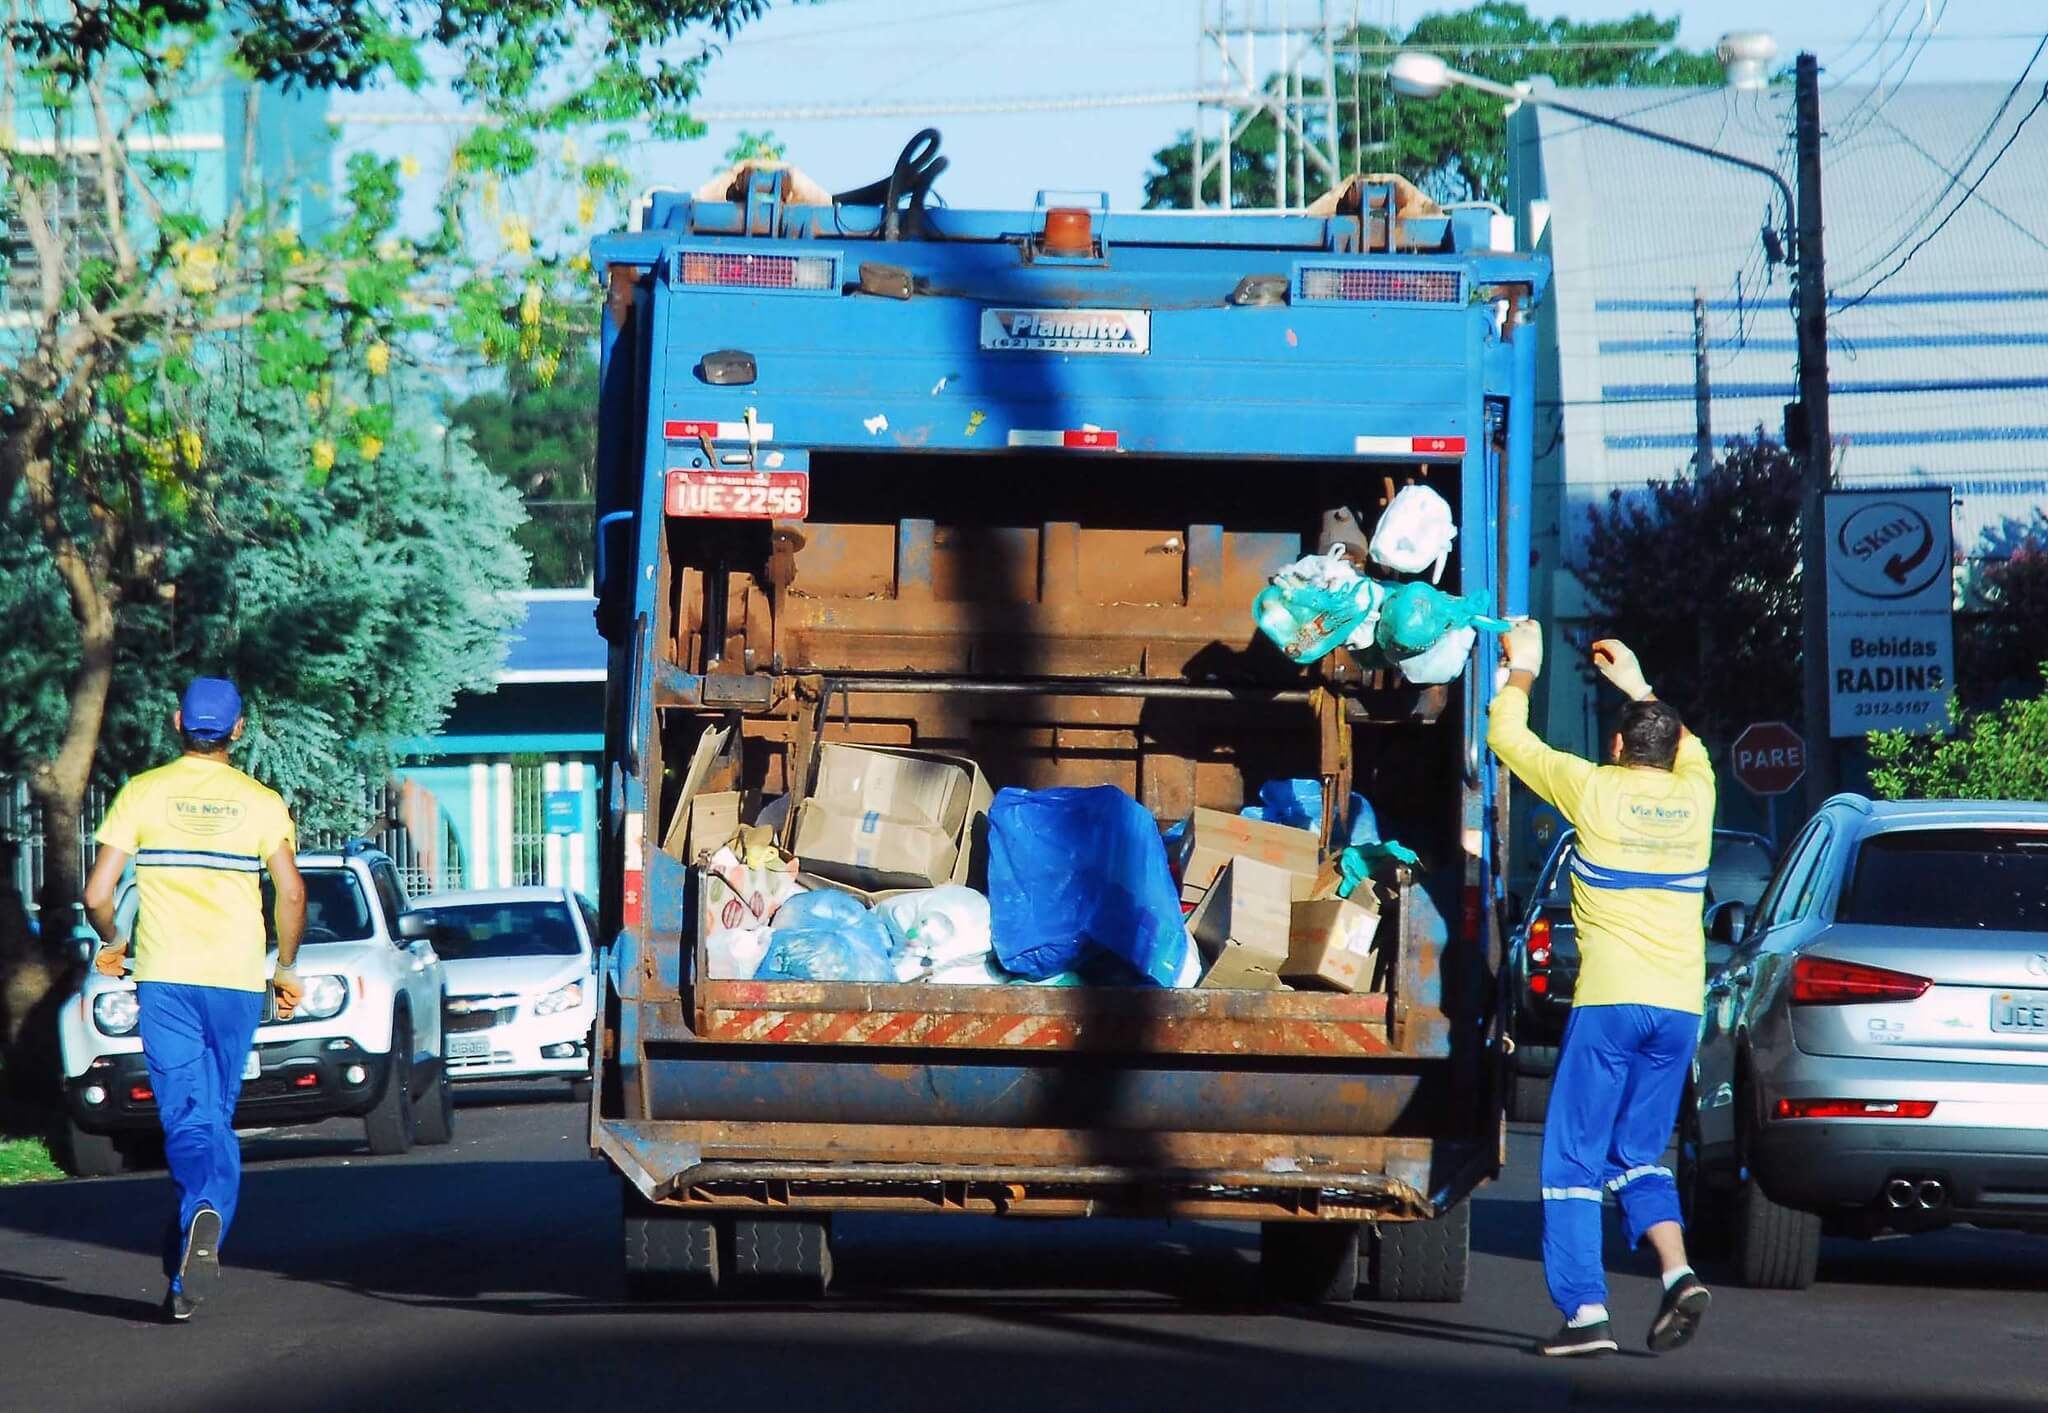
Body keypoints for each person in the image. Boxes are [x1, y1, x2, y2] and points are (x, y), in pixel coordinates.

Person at [1486, 624, 1715, 1358]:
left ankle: (1586, 1309)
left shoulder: (1593, 788)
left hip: (1612, 1001)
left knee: (1573, 1159)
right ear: (1671, 749)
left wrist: (1523, 667)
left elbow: (1507, 738)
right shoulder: (1700, 795)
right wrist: (1641, 684)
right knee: (1641, 1154)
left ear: (1617, 749)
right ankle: (1676, 1270)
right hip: (1680, 1006)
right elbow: (1688, 744)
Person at [81, 678, 306, 1324]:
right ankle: (190, 1254)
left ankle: (196, 1219)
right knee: (215, 1117)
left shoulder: (143, 793)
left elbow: (98, 891)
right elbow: (290, 893)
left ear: (177, 720)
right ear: (238, 731)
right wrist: (286, 967)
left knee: (187, 1118)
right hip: (235, 982)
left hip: (166, 979)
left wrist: (113, 940)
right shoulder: (260, 802)